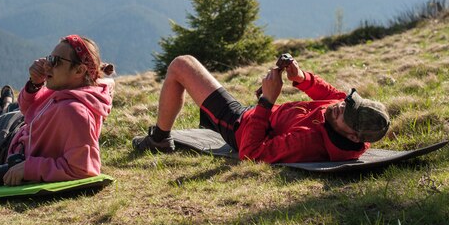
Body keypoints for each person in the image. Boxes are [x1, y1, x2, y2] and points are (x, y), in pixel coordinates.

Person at [0, 35, 115, 185]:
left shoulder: (76, 112)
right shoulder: (68, 88)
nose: (47, 65)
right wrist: (35, 84)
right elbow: (28, 109)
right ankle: (0, 114)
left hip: (5, 153)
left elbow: (83, 169)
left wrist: (29, 168)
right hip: (19, 126)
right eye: (49, 58)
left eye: (56, 61)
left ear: (79, 71)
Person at [133, 54, 390, 163]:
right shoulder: (341, 118)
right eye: (347, 104)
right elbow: (332, 94)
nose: (339, 107)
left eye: (347, 113)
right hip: (256, 115)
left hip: (239, 124)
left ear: (354, 136)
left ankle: (159, 140)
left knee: (181, 65)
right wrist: (300, 77)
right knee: (183, 65)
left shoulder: (309, 142)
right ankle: (160, 137)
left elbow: (251, 152)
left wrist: (267, 102)